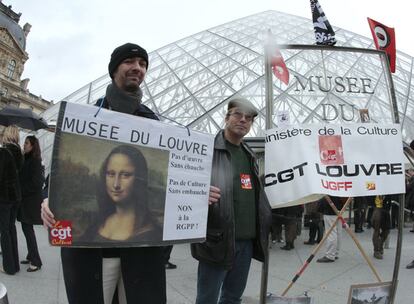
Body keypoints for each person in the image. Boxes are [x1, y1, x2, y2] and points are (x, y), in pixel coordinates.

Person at [41, 43, 167, 304]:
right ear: (113, 70)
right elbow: (59, 170)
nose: (137, 68)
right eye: (129, 61)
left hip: (142, 255)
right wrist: (46, 198)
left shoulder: (155, 125)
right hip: (94, 254)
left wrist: (200, 194)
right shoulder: (86, 118)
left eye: (142, 64)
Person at [191, 97, 272, 304]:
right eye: (238, 114)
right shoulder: (207, 149)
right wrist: (198, 192)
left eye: (249, 118)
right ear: (226, 117)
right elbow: (184, 185)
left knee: (233, 298)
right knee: (207, 299)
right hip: (217, 239)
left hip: (245, 242)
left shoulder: (249, 155)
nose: (243, 120)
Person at [81, 145, 162, 244]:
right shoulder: (98, 223)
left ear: (139, 179)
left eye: (125, 175)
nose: (116, 184)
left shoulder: (151, 235)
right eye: (111, 174)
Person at [18, 135, 45, 272]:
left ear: (33, 146)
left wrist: (21, 190)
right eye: (25, 143)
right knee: (26, 228)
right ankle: (30, 255)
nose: (24, 145)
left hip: (30, 202)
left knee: (28, 230)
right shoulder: (27, 159)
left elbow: (38, 183)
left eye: (27, 143)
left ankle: (36, 261)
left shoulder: (35, 161)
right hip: (26, 201)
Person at [0, 125, 23, 274]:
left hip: (4, 197)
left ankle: (8, 266)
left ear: (6, 135)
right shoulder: (19, 153)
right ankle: (15, 264)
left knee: (4, 231)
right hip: (16, 196)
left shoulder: (3, 152)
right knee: (11, 229)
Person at [317, 196, 344, 263]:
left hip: (329, 212)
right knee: (338, 233)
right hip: (338, 211)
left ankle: (330, 255)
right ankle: (335, 253)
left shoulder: (329, 190)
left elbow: (323, 200)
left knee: (331, 233)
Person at [371, 195, 391, 259]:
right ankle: (376, 250)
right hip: (377, 208)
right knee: (376, 230)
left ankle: (380, 244)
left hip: (386, 208)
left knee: (387, 230)